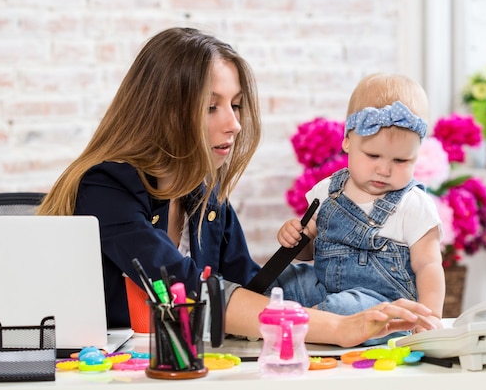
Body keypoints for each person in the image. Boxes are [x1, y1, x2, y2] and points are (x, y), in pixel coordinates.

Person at [37, 28, 436, 347]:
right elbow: (192, 292)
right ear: (164, 112)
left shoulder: (205, 198)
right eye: (212, 107)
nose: (234, 123)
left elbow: (248, 288)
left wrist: (358, 294)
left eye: (236, 104)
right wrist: (336, 326)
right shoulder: (106, 188)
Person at [277, 73, 445, 336]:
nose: (384, 169)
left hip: (381, 306)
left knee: (341, 308)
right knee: (282, 281)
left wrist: (429, 317)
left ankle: (304, 326)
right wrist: (295, 236)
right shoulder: (327, 190)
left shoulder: (413, 204)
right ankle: (267, 322)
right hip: (323, 286)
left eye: (401, 161)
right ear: (347, 140)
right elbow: (308, 250)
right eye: (373, 155)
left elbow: (428, 265)